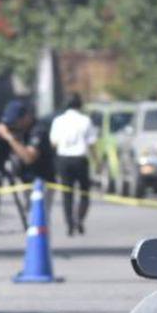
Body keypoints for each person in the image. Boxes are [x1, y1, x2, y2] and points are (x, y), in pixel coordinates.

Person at [50, 93, 97, 236]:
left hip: (64, 160)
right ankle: (80, 219)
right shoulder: (85, 120)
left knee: (67, 194)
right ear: (80, 105)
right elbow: (91, 143)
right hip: (80, 159)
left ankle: (69, 223)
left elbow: (54, 143)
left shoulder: (58, 121)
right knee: (84, 193)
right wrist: (97, 161)